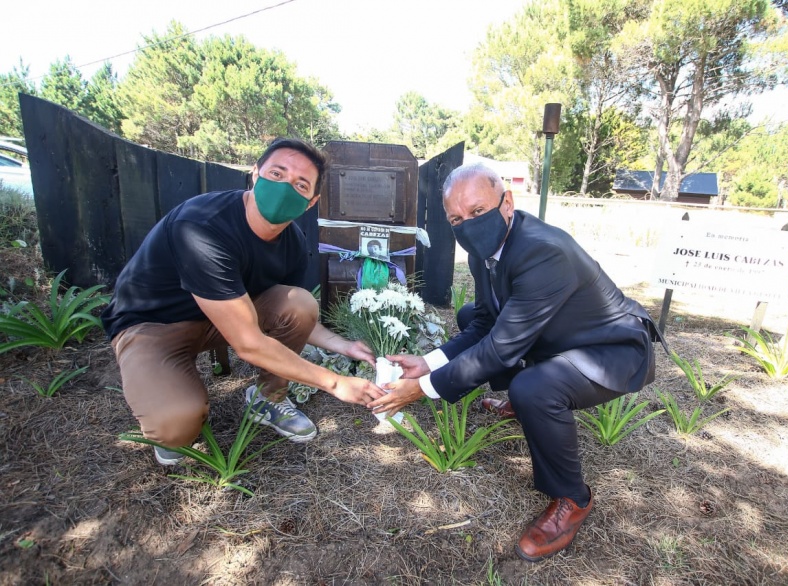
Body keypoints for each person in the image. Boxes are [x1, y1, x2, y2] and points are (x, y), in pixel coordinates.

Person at [368, 163, 666, 562]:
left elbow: (500, 350)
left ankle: (572, 498)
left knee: (534, 389)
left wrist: (422, 389)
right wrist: (429, 362)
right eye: (456, 218)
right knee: (470, 315)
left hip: (609, 348)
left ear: (507, 203)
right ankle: (527, 403)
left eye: (477, 211)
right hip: (559, 338)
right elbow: (488, 323)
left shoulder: (543, 252)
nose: (467, 225)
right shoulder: (483, 250)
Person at [102, 137, 385, 466]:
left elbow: (294, 315)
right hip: (154, 325)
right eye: (277, 174)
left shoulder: (292, 241)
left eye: (300, 184)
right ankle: (165, 397)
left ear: (311, 201)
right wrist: (335, 382)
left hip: (228, 318)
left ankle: (268, 398)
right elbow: (249, 344)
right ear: (255, 173)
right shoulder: (202, 226)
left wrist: (345, 346)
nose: (284, 187)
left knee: (300, 302)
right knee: (175, 424)